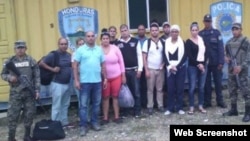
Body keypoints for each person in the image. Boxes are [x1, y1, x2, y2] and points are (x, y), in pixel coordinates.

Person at [1, 40, 40, 141]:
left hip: (29, 92)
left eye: (22, 47)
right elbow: (3, 74)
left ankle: (27, 136)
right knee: (13, 116)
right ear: (15, 49)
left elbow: (37, 76)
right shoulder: (9, 61)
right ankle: (11, 138)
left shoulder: (31, 60)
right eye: (18, 48)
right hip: (15, 93)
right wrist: (10, 78)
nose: (20, 50)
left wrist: (37, 90)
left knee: (29, 114)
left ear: (25, 48)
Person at [73, 31, 107, 136]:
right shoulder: (80, 50)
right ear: (85, 38)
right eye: (88, 36)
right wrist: (76, 80)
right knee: (83, 105)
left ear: (95, 37)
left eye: (92, 36)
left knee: (96, 104)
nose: (91, 38)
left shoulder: (99, 50)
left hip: (97, 81)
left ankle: (94, 122)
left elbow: (103, 65)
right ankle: (83, 126)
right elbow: (75, 66)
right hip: (85, 82)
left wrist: (105, 78)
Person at [39, 37, 72, 127]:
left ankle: (64, 122)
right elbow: (41, 63)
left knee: (65, 104)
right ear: (58, 44)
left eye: (65, 44)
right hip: (57, 83)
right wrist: (52, 69)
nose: (64, 46)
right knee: (56, 105)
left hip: (67, 83)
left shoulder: (69, 55)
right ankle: (55, 124)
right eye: (62, 44)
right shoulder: (53, 55)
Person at [223, 23, 250, 122]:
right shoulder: (229, 42)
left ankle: (248, 112)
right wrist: (226, 58)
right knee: (232, 90)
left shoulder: (246, 41)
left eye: (237, 29)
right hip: (232, 70)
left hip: (242, 71)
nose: (235, 31)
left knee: (246, 92)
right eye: (233, 29)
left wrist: (241, 66)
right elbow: (226, 54)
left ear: (241, 30)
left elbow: (248, 56)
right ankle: (234, 110)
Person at [115, 24, 143, 117]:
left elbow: (139, 55)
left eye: (125, 30)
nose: (124, 32)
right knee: (125, 92)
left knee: (136, 92)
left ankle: (137, 111)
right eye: (122, 31)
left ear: (129, 31)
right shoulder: (117, 43)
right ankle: (126, 111)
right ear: (120, 32)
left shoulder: (135, 41)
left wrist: (140, 69)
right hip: (123, 72)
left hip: (134, 70)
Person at [199, 14, 226, 108]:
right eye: (206, 21)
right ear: (203, 22)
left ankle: (220, 101)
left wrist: (221, 62)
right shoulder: (200, 34)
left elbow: (220, 48)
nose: (207, 23)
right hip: (205, 63)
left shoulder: (216, 33)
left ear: (211, 22)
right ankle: (207, 101)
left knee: (218, 83)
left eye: (209, 21)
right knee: (207, 84)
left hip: (216, 63)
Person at [100, 28, 126, 125]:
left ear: (109, 39)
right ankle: (105, 118)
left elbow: (121, 63)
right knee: (105, 97)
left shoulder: (115, 48)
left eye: (107, 38)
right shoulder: (98, 50)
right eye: (104, 38)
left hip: (116, 76)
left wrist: (123, 76)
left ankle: (116, 117)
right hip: (104, 78)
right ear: (101, 40)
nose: (106, 40)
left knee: (115, 97)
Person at [163, 25, 187, 115]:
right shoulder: (166, 42)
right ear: (170, 33)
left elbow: (185, 56)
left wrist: (177, 66)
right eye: (172, 31)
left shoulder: (182, 42)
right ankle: (170, 108)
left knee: (180, 89)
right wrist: (169, 66)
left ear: (178, 32)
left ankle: (180, 108)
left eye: (176, 31)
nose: (174, 33)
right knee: (170, 89)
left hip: (180, 68)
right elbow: (164, 55)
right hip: (170, 69)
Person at [142, 22, 165, 115]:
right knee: (150, 89)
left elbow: (165, 56)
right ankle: (150, 106)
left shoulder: (163, 42)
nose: (154, 32)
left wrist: (163, 65)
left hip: (160, 69)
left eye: (156, 30)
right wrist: (146, 70)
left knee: (160, 89)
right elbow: (144, 57)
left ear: (158, 31)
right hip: (150, 69)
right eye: (152, 30)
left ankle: (160, 105)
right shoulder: (146, 43)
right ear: (150, 32)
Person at [186, 22, 207, 114]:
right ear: (190, 31)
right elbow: (189, 56)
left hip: (203, 66)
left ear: (198, 30)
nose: (194, 32)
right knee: (192, 87)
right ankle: (191, 106)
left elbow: (206, 53)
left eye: (196, 30)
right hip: (192, 67)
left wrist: (203, 64)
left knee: (201, 87)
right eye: (193, 30)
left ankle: (201, 105)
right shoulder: (188, 42)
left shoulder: (202, 40)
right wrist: (198, 64)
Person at [135, 24, 148, 109]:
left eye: (142, 29)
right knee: (137, 86)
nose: (141, 31)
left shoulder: (148, 40)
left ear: (145, 30)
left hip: (146, 65)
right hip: (137, 66)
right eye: (139, 29)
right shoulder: (134, 40)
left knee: (145, 85)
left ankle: (144, 103)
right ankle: (137, 104)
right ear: (137, 30)